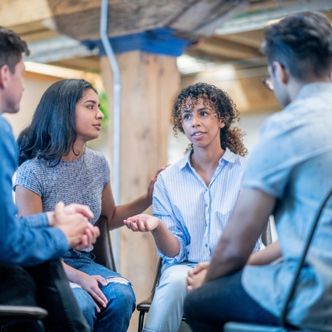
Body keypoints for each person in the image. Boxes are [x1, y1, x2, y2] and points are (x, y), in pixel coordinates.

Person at [184, 11, 332, 332]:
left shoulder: (288, 126)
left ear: (279, 71)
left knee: (198, 302)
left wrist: (212, 274)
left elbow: (237, 243)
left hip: (315, 296)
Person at [15, 78, 158, 332]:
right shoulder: (32, 172)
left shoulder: (98, 164)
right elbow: (32, 243)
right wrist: (80, 279)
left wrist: (147, 198)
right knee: (81, 302)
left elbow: (109, 216)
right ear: (65, 111)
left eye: (98, 108)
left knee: (122, 295)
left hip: (83, 260)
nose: (100, 114)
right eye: (90, 107)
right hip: (48, 266)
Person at [125, 82, 263, 332]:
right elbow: (174, 252)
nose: (194, 122)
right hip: (187, 268)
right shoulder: (167, 180)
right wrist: (157, 226)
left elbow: (251, 239)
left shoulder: (249, 171)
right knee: (174, 279)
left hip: (238, 266)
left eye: (203, 113)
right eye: (187, 116)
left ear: (221, 119)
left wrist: (220, 268)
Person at [0, 26, 100, 332]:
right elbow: (9, 243)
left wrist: (49, 221)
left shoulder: (98, 163)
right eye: (22, 75)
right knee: (45, 264)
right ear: (5, 75)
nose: (24, 85)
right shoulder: (3, 133)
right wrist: (61, 236)